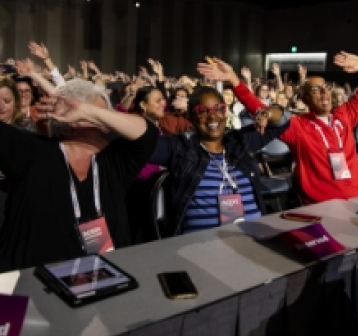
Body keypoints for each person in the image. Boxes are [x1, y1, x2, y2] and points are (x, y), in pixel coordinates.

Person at [0, 77, 158, 272]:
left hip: (103, 284)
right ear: (70, 120)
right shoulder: (33, 152)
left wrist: (89, 111)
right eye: (98, 118)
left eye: (105, 115)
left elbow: (148, 134)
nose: (108, 124)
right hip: (30, 291)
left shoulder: (113, 162)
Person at [198, 52, 358, 204]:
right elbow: (260, 108)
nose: (324, 92)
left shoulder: (345, 115)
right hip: (322, 205)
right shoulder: (297, 126)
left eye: (326, 87)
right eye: (316, 89)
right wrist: (235, 81)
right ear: (305, 99)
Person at [148, 85, 289, 235]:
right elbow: (139, 144)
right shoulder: (180, 148)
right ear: (191, 117)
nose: (213, 116)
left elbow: (284, 120)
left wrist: (267, 112)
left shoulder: (240, 142)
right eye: (202, 111)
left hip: (254, 240)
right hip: (201, 248)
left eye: (219, 109)